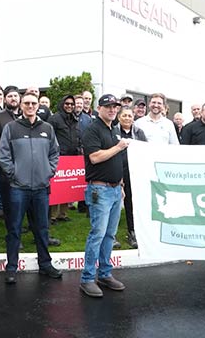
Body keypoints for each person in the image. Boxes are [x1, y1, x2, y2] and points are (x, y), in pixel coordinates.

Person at [0, 93, 62, 284]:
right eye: (27, 103)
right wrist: (14, 174)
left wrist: (48, 172)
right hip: (19, 187)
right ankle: (11, 267)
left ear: (37, 106)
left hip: (42, 187)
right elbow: (4, 154)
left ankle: (45, 264)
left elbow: (54, 153)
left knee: (42, 228)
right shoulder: (11, 128)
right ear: (21, 105)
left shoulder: (47, 128)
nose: (30, 106)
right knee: (14, 229)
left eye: (34, 103)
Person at [79, 94, 129, 298]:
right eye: (108, 106)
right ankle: (87, 278)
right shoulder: (92, 129)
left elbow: (118, 161)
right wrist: (118, 147)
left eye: (115, 107)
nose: (112, 110)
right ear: (99, 108)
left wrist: (121, 185)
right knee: (97, 234)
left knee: (110, 234)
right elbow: (95, 157)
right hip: (100, 190)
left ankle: (105, 273)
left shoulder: (113, 129)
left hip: (115, 189)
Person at [0, 86, 22, 236]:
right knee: (4, 199)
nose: (13, 99)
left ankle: (18, 227)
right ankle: (8, 231)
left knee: (20, 201)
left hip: (24, 166)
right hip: (4, 166)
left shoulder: (25, 116)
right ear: (5, 99)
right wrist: (5, 159)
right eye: (10, 96)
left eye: (15, 96)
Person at [48, 94, 81, 222]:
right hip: (58, 156)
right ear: (62, 104)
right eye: (67, 104)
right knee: (57, 187)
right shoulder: (54, 119)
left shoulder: (74, 119)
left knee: (67, 186)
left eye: (72, 104)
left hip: (72, 157)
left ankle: (63, 213)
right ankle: (52, 215)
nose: (70, 106)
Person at [117, 106, 147, 248]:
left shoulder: (139, 133)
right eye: (124, 115)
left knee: (131, 203)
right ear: (119, 117)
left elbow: (146, 151)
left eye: (129, 116)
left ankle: (132, 231)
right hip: (116, 171)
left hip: (133, 173)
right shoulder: (114, 131)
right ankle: (112, 235)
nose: (127, 118)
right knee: (114, 204)